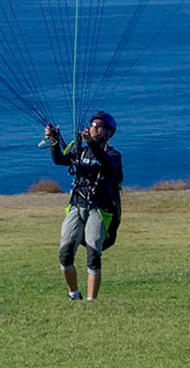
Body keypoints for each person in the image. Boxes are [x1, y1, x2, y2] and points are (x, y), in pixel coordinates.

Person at [44, 110, 123, 300]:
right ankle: (74, 294)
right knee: (65, 254)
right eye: (93, 124)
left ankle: (91, 302)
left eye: (99, 126)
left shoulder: (113, 155)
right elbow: (60, 160)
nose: (94, 127)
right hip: (77, 205)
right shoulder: (81, 150)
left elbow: (106, 164)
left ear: (108, 133)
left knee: (93, 254)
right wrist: (54, 140)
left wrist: (90, 143)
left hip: (99, 208)